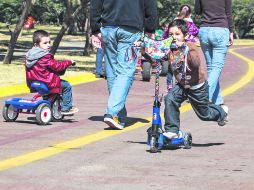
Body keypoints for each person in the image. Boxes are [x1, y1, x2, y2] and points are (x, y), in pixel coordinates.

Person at [90, 0, 158, 130]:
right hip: (131, 29)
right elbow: (150, 5)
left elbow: (95, 4)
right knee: (125, 72)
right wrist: (150, 28)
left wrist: (95, 29)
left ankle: (119, 117)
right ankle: (112, 112)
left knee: (112, 72)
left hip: (108, 27)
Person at [163, 19, 228, 139]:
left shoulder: (190, 47)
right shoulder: (169, 48)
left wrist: (185, 49)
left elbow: (196, 63)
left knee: (204, 115)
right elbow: (157, 57)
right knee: (170, 98)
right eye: (170, 34)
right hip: (182, 85)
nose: (174, 37)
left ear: (185, 36)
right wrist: (144, 50)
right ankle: (172, 130)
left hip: (197, 86)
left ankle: (221, 112)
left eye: (177, 34)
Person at [25, 30, 79, 115]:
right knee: (67, 86)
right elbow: (57, 66)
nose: (48, 45)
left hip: (34, 82)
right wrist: (69, 62)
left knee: (49, 90)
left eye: (49, 42)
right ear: (36, 45)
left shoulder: (29, 56)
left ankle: (47, 99)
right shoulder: (45, 57)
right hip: (47, 83)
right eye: (45, 43)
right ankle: (66, 108)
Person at [195, 0, 234, 106]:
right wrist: (231, 31)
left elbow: (197, 11)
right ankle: (205, 94)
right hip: (220, 30)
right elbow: (228, 12)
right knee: (216, 67)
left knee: (211, 68)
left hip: (204, 30)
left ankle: (218, 101)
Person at [166, 4, 200, 92]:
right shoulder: (191, 25)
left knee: (171, 67)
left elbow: (165, 33)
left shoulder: (173, 24)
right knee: (186, 67)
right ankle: (188, 85)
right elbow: (196, 32)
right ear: (190, 14)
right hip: (185, 50)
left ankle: (169, 85)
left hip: (173, 49)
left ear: (178, 12)